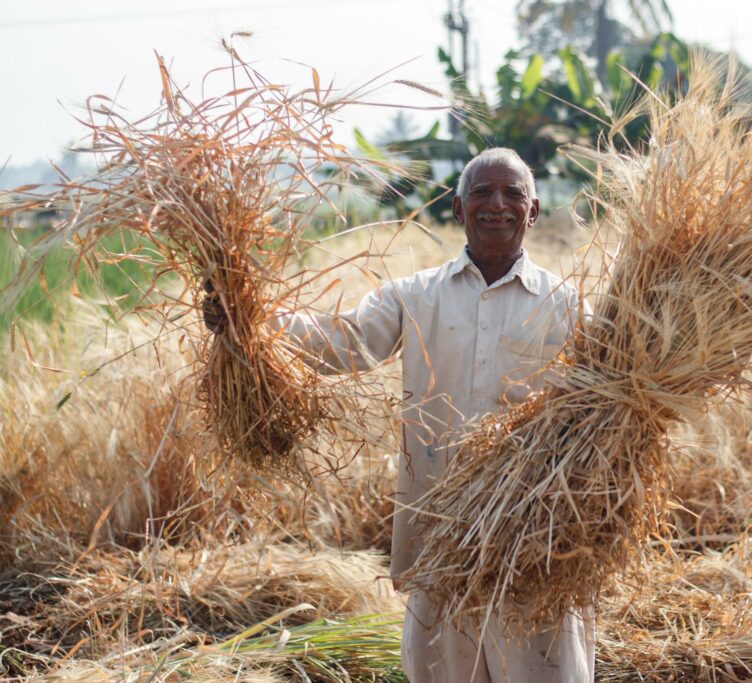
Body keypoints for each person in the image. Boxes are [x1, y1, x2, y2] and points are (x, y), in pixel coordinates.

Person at [204, 148, 594, 682]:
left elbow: (609, 392)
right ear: (457, 209)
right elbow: (343, 343)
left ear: (532, 210)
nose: (497, 205)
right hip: (440, 529)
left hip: (535, 539)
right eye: (482, 193)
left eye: (513, 194)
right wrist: (248, 322)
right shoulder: (417, 296)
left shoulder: (567, 306)